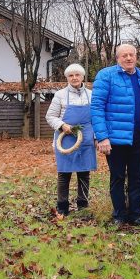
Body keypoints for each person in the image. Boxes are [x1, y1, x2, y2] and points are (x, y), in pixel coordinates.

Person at [91, 44, 140, 227]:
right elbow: (96, 107)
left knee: (137, 178)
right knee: (118, 177)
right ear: (117, 58)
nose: (128, 58)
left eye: (131, 55)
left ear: (136, 56)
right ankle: (118, 216)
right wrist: (102, 137)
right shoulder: (106, 76)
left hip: (138, 137)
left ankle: (136, 214)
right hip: (115, 139)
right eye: (124, 55)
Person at [45, 63, 97, 218]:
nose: (74, 78)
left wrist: (96, 137)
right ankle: (62, 207)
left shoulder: (91, 95)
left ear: (82, 76)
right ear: (67, 78)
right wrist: (62, 125)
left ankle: (83, 205)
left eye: (77, 75)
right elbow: (50, 116)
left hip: (86, 138)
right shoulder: (60, 95)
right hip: (65, 139)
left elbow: (96, 118)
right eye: (71, 76)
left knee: (84, 173)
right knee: (64, 173)